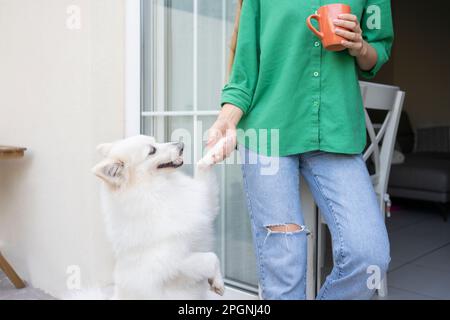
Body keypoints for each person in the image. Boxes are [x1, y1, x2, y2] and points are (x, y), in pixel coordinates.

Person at [206, 0, 394, 300]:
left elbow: (378, 52)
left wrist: (360, 46)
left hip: (337, 132)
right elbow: (244, 66)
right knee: (284, 262)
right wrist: (227, 118)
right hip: (269, 132)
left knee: (369, 255)